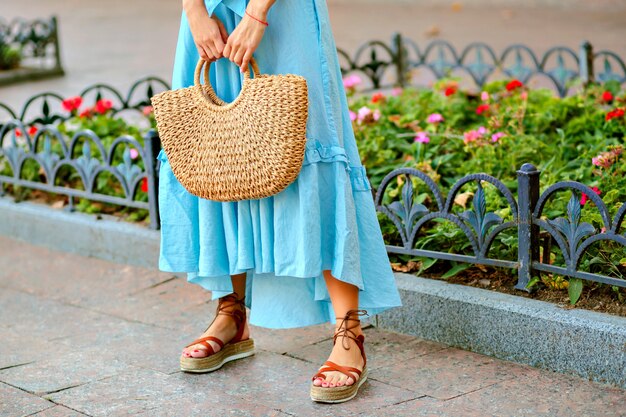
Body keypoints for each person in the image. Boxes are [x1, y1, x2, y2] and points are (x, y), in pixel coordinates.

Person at [156, 0, 402, 403]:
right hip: (207, 13)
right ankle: (231, 315)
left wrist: (256, 14)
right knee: (218, 150)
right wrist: (194, 12)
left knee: (312, 147)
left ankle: (349, 332)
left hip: (281, 13)